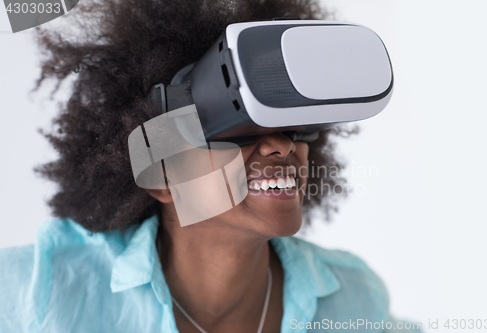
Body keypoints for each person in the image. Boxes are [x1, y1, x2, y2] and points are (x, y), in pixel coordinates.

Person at [0, 0, 422, 332]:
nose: (280, 146)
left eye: (295, 128)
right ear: (161, 172)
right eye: (237, 130)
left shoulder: (352, 298)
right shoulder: (38, 292)